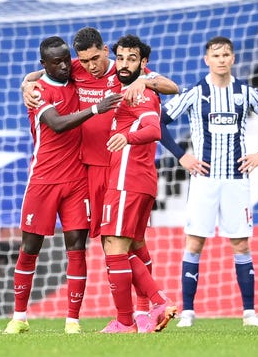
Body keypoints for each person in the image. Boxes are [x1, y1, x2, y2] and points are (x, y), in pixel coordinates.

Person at [21, 27, 179, 332]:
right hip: (90, 170)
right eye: (85, 60)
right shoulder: (75, 68)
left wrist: (145, 79)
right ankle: (142, 312)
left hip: (121, 169)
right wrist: (24, 85)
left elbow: (171, 87)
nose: (90, 65)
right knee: (120, 243)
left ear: (105, 50)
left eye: (95, 58)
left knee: (127, 243)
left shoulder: (126, 70)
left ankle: (145, 310)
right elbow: (37, 75)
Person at [160, 36, 258, 328]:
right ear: (207, 60)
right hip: (204, 180)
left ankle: (250, 314)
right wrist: (181, 156)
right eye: (215, 55)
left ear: (233, 58)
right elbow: (160, 122)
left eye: (226, 54)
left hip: (236, 180)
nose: (221, 59)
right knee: (194, 242)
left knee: (241, 244)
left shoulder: (246, 92)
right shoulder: (195, 93)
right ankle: (188, 312)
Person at [3, 36, 122, 335]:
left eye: (67, 59)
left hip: (76, 180)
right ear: (44, 64)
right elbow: (56, 123)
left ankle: (72, 321)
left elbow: (108, 70)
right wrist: (96, 110)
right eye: (56, 62)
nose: (65, 66)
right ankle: (19, 317)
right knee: (30, 248)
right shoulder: (39, 91)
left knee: (77, 249)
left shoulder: (76, 76)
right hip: (43, 179)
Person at [100, 34, 177, 334]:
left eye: (131, 59)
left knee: (115, 248)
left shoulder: (141, 92)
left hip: (127, 180)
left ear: (144, 63)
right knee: (132, 247)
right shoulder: (125, 86)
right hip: (136, 180)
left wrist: (127, 137)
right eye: (120, 58)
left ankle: (130, 318)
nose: (123, 64)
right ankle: (148, 310)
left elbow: (154, 128)